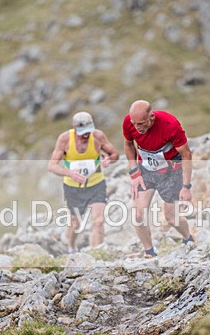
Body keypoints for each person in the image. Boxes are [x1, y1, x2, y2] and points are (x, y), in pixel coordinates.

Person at [123, 100, 194, 258]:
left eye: (141, 124)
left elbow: (186, 154)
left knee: (171, 218)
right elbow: (128, 145)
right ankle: (149, 253)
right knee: (138, 215)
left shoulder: (170, 124)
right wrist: (134, 173)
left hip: (171, 172)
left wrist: (186, 186)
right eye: (134, 124)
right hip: (146, 170)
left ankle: (188, 238)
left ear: (151, 118)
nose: (137, 128)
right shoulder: (129, 122)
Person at [47, 111, 119, 253]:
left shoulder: (98, 136)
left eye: (88, 131)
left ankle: (96, 254)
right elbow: (51, 166)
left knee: (98, 221)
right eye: (82, 132)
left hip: (96, 184)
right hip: (73, 187)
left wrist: (109, 160)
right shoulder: (64, 139)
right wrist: (70, 173)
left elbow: (115, 154)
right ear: (74, 128)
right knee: (76, 223)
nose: (86, 135)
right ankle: (71, 246)